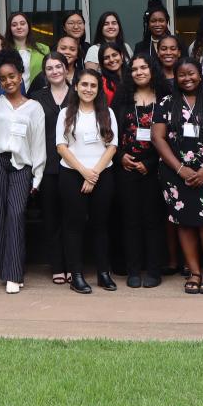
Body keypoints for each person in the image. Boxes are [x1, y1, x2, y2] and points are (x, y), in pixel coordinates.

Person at [152, 57, 203, 294]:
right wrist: (180, 169)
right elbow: (158, 138)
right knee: (184, 223)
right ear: (175, 78)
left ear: (200, 75)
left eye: (191, 74)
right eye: (182, 75)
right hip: (175, 173)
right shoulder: (166, 103)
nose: (187, 78)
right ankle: (194, 271)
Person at [0, 49, 46, 294]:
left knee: (16, 214)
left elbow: (39, 143)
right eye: (3, 78)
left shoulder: (34, 107)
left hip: (22, 166)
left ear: (21, 75)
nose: (8, 81)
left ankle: (14, 272)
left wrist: (37, 175)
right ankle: (9, 272)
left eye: (12, 76)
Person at [55, 69, 119, 294]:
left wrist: (95, 174)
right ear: (76, 86)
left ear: (98, 89)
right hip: (72, 174)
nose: (88, 89)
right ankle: (77, 275)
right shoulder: (65, 114)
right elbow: (61, 147)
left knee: (101, 226)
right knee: (74, 226)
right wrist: (84, 172)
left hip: (102, 174)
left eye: (93, 85)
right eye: (84, 84)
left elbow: (112, 146)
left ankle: (103, 273)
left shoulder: (107, 113)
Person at [114, 55, 166, 289]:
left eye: (143, 67)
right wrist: (120, 156)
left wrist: (151, 161)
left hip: (155, 167)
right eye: (134, 69)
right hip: (126, 166)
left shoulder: (165, 98)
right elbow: (110, 131)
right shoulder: (122, 99)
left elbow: (171, 137)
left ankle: (154, 271)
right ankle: (133, 270)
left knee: (153, 220)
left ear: (152, 70)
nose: (139, 72)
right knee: (130, 220)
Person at [30, 53, 71, 284]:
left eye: (58, 67)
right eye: (49, 68)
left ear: (66, 69)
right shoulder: (36, 98)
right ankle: (57, 265)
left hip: (74, 165)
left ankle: (72, 263)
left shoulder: (79, 93)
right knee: (51, 217)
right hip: (46, 166)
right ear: (44, 73)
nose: (54, 71)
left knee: (72, 218)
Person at [4, 11, 51, 86]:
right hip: (11, 94)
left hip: (38, 94)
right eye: (14, 25)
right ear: (10, 28)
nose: (19, 27)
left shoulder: (44, 49)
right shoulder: (4, 50)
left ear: (28, 26)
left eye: (22, 23)